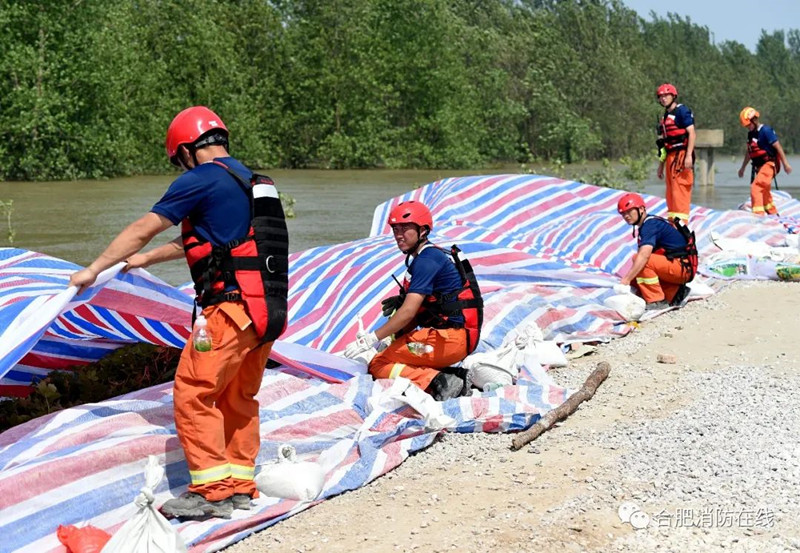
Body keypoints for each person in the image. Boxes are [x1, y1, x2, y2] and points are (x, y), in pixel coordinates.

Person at [69, 106, 288, 519]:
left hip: (230, 310)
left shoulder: (201, 178)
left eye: (178, 158)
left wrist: (93, 268)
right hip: (268, 313)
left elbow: (142, 227)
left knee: (193, 391)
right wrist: (147, 259)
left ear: (188, 149)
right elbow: (219, 240)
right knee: (238, 396)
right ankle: (240, 485)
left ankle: (210, 493)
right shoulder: (255, 181)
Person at [343, 201, 483, 401]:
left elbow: (408, 312)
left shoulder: (427, 260)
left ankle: (440, 381)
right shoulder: (429, 257)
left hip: (448, 341)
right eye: (395, 229)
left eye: (405, 228)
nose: (398, 234)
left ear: (423, 231)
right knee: (395, 351)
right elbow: (415, 314)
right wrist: (389, 339)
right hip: (449, 340)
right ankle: (454, 375)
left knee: (378, 365)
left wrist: (371, 338)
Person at [617, 192, 697, 310]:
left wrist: (626, 280)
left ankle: (656, 301)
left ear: (641, 209)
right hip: (680, 267)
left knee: (640, 261)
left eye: (629, 212)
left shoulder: (650, 225)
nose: (626, 216)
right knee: (636, 280)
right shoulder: (649, 224)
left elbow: (644, 256)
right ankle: (675, 292)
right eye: (623, 214)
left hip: (681, 267)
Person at [737, 106, 793, 216]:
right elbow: (749, 152)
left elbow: (778, 147)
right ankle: (773, 214)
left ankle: (758, 217)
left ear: (754, 120)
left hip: (769, 165)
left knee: (756, 187)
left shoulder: (766, 131)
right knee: (764, 192)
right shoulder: (751, 134)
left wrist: (786, 164)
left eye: (749, 125)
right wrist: (742, 168)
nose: (748, 127)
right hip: (760, 167)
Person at [655, 83, 696, 222]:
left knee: (680, 190)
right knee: (671, 192)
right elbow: (663, 146)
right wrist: (661, 165)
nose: (663, 99)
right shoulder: (665, 116)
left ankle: (682, 224)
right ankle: (673, 223)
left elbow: (691, 133)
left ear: (673, 96)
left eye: (666, 95)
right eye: (660, 97)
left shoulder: (681, 111)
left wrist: (689, 155)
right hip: (670, 158)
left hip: (681, 155)